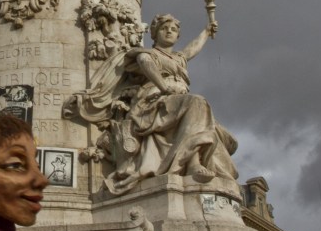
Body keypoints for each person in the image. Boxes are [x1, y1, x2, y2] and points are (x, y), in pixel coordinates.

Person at [64, 13, 239, 194]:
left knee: (228, 139)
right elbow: (144, 62)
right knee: (197, 103)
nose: (169, 32)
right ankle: (193, 163)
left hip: (178, 102)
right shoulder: (147, 54)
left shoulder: (178, 59)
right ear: (154, 34)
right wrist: (164, 88)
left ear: (178, 36)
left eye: (173, 30)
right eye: (164, 28)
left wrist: (206, 31)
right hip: (152, 102)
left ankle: (197, 163)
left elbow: (191, 49)